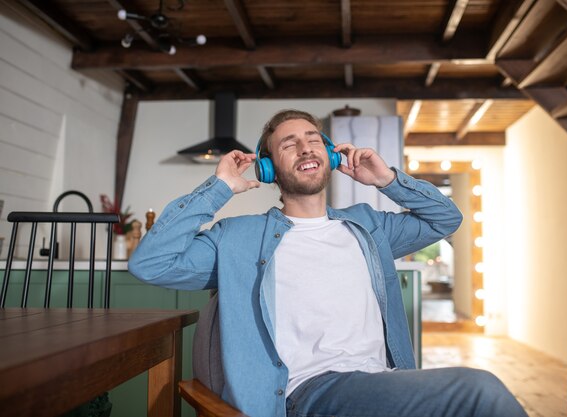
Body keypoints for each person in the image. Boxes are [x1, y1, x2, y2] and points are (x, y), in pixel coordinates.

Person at [129, 109, 528, 417]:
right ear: (268, 169)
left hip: (381, 384)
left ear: (330, 156)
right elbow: (152, 263)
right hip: (311, 392)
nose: (304, 147)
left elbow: (446, 219)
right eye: (288, 144)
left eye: (312, 139)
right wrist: (218, 190)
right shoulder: (237, 237)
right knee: (480, 391)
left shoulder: (368, 227)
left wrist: (388, 180)